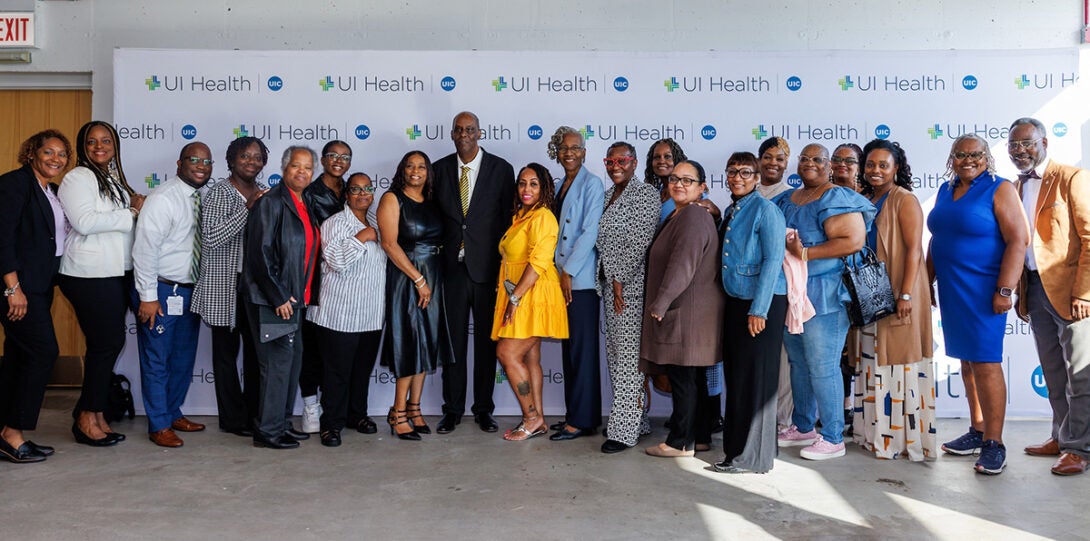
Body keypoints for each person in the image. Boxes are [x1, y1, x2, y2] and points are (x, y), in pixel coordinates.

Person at [927, 134, 1027, 475]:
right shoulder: (945, 190)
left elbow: (1018, 240)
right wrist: (925, 280)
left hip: (984, 289)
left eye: (975, 154)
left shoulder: (1000, 189)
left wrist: (1005, 290)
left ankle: (995, 443)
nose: (967, 160)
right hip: (952, 290)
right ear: (951, 159)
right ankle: (978, 429)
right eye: (960, 155)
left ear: (987, 158)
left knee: (985, 363)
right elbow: (938, 238)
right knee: (967, 363)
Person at [773, 143, 874, 461]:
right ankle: (803, 426)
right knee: (799, 364)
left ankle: (832, 436)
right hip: (793, 293)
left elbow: (852, 241)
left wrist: (805, 253)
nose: (809, 164)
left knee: (823, 366)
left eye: (817, 159)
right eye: (804, 159)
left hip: (826, 295)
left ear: (830, 165)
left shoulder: (837, 197)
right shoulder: (787, 199)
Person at [1007, 117, 1090, 475]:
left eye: (1027, 143)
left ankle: (1079, 448)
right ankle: (1060, 435)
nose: (1020, 150)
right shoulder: (1014, 186)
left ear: (1044, 143)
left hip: (1072, 294)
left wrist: (1085, 292)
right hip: (1035, 290)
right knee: (1054, 372)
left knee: (1080, 376)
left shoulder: (1071, 178)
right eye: (1014, 145)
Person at [58, 121, 144, 447]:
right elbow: (85, 222)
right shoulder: (78, 177)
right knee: (105, 344)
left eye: (105, 141)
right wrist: (132, 212)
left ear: (115, 145)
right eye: (91, 142)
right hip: (88, 274)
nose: (99, 147)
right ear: (83, 146)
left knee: (107, 345)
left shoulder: (111, 178)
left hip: (114, 273)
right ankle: (86, 417)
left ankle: (95, 413)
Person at [851, 139, 936, 461]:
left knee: (899, 363)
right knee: (872, 361)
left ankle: (902, 441)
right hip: (869, 294)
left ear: (896, 168)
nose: (875, 171)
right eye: (870, 165)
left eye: (883, 165)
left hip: (902, 291)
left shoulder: (905, 200)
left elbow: (915, 249)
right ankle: (871, 434)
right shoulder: (862, 198)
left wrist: (905, 293)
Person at [433, 111, 515, 434]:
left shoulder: (502, 169)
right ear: (452, 134)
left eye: (470, 129)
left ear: (480, 133)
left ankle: (483, 410)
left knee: (485, 345)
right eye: (458, 130)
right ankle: (452, 410)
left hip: (488, 272)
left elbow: (508, 221)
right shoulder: (438, 170)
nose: (464, 134)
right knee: (452, 344)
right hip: (451, 271)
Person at [131, 142, 214, 447]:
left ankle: (172, 411)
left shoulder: (203, 197)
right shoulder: (163, 198)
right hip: (162, 290)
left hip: (189, 290)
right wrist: (148, 297)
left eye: (207, 161)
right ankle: (159, 424)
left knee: (182, 357)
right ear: (179, 163)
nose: (201, 166)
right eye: (194, 159)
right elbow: (144, 250)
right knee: (157, 358)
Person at [641, 160, 725, 457]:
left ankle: (680, 443)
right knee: (694, 379)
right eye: (675, 179)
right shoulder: (684, 215)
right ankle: (700, 437)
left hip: (685, 312)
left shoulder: (691, 216)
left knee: (684, 380)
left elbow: (683, 265)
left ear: (703, 187)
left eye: (688, 180)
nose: (678, 184)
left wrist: (661, 302)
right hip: (691, 312)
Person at [241, 146, 321, 450]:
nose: (302, 172)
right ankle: (268, 431)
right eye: (295, 166)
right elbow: (260, 255)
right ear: (284, 169)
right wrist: (278, 296)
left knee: (291, 362)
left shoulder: (303, 202)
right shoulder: (271, 202)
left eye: (308, 168)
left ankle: (283, 423)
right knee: (276, 365)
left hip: (296, 300)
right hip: (273, 300)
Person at [713, 152, 788, 474]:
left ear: (757, 178)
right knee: (739, 378)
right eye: (732, 172)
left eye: (745, 172)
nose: (737, 177)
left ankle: (750, 458)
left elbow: (773, 261)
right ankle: (742, 451)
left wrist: (760, 309)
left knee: (756, 381)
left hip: (760, 303)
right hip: (736, 301)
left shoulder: (766, 210)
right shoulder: (732, 210)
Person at [0, 130, 71, 463]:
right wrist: (13, 289)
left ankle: (5, 432)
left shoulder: (52, 191)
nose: (55, 158)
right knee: (45, 352)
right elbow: (2, 238)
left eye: (61, 154)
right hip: (18, 289)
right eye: (48, 152)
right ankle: (12, 434)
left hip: (40, 288)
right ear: (31, 153)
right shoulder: (14, 184)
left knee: (18, 357)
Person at [192, 136, 268, 438]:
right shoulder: (220, 193)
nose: (251, 162)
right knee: (225, 355)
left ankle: (254, 413)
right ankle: (233, 419)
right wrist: (247, 209)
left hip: (251, 286)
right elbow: (210, 237)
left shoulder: (262, 192)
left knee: (253, 353)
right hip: (224, 286)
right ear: (231, 160)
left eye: (257, 157)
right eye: (245, 156)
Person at [378, 151, 453, 441]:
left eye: (421, 166)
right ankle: (397, 413)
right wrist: (418, 279)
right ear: (401, 169)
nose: (415, 171)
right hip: (407, 277)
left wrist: (429, 279)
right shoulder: (391, 199)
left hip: (432, 276)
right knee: (409, 343)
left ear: (428, 172)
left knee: (427, 343)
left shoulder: (433, 203)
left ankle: (415, 408)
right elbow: (389, 244)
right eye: (409, 165)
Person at [492, 163, 568, 440]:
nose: (526, 189)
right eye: (522, 183)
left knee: (507, 354)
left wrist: (515, 297)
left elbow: (538, 263)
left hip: (533, 294)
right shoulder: (522, 216)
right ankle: (540, 419)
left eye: (533, 184)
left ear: (544, 188)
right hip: (523, 293)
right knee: (530, 356)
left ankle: (531, 417)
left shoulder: (543, 217)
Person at [307, 173, 385, 447]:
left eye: (367, 188)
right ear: (346, 194)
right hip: (338, 314)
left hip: (371, 313)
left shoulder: (379, 221)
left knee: (361, 371)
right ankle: (332, 424)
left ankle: (357, 415)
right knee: (336, 374)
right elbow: (337, 261)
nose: (363, 194)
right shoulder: (334, 223)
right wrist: (362, 237)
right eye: (356, 189)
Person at [594, 142, 659, 453]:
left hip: (631, 289)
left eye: (622, 160)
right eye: (610, 160)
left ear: (634, 163)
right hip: (611, 288)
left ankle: (623, 431)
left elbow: (639, 240)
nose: (615, 165)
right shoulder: (608, 196)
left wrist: (619, 280)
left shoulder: (645, 194)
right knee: (617, 357)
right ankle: (638, 420)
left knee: (629, 362)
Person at [545, 126, 604, 441]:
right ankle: (579, 415)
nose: (569, 153)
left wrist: (567, 271)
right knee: (570, 351)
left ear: (584, 151)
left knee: (581, 352)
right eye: (564, 148)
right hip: (561, 277)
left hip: (578, 280)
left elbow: (589, 233)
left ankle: (581, 421)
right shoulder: (560, 185)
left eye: (575, 147)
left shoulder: (592, 184)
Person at [298, 140, 354, 434]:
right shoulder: (309, 192)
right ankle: (310, 405)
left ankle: (334, 408)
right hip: (314, 279)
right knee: (310, 348)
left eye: (345, 157)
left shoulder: (351, 191)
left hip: (344, 283)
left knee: (334, 352)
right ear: (322, 159)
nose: (338, 160)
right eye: (333, 155)